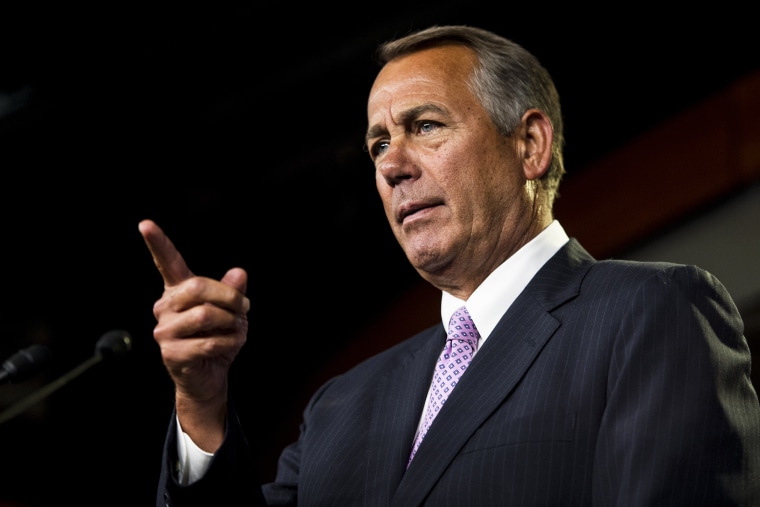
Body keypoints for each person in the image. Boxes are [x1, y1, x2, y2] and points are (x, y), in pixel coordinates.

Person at [140, 25, 760, 506]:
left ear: (530, 145)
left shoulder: (649, 311)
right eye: (379, 143)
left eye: (425, 126)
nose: (390, 165)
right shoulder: (341, 406)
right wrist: (200, 402)